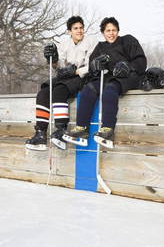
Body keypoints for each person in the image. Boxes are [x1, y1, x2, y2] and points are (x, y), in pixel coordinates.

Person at [62, 17, 147, 148]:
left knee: (109, 91)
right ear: (103, 33)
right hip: (107, 77)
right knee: (88, 91)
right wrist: (95, 66)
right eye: (108, 30)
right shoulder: (100, 47)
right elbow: (92, 66)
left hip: (126, 76)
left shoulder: (127, 40)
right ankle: (81, 129)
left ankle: (107, 129)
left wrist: (128, 67)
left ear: (118, 31)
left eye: (114, 30)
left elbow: (141, 61)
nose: (111, 33)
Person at [25, 16, 98, 150]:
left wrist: (75, 72)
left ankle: (60, 131)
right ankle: (41, 133)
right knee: (43, 93)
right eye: (76, 28)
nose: (79, 31)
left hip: (82, 76)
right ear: (69, 31)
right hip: (66, 76)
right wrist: (53, 61)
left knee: (59, 90)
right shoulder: (64, 44)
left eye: (81, 28)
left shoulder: (91, 42)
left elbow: (92, 64)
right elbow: (59, 66)